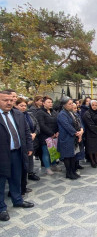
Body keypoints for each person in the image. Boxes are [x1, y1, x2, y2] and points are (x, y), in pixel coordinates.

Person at [0, 91, 34, 222]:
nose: (9, 102)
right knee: (1, 182)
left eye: (10, 100)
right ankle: (1, 208)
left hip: (17, 152)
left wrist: (29, 147)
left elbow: (26, 131)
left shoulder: (18, 114)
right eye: (5, 100)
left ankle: (18, 200)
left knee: (16, 178)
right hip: (2, 155)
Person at [15, 98, 40, 195]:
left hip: (32, 140)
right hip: (21, 143)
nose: (23, 107)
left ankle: (30, 173)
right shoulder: (15, 116)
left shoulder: (29, 114)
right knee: (21, 165)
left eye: (25, 105)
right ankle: (20, 187)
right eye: (21, 105)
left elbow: (37, 125)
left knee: (30, 159)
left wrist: (34, 133)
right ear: (16, 106)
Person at [57, 97, 84, 179]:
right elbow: (67, 126)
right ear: (64, 105)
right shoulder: (62, 114)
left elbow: (79, 122)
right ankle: (68, 173)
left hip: (74, 138)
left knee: (73, 155)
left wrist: (81, 131)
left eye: (72, 103)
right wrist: (77, 133)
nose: (72, 105)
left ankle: (73, 171)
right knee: (67, 156)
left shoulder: (72, 112)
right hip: (66, 138)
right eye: (70, 104)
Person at [36, 96, 59, 175]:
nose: (50, 104)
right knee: (46, 152)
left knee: (53, 151)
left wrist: (57, 132)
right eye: (48, 102)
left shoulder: (54, 112)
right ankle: (47, 168)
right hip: (45, 136)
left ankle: (54, 165)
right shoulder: (40, 113)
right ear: (43, 103)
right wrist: (51, 134)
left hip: (55, 135)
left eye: (51, 102)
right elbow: (42, 125)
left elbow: (58, 122)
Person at [82, 100, 97, 168]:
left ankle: (96, 159)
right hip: (90, 132)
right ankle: (92, 161)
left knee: (96, 146)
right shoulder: (87, 113)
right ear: (90, 105)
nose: (94, 107)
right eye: (93, 105)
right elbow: (90, 124)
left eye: (96, 105)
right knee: (91, 147)